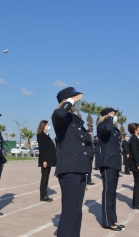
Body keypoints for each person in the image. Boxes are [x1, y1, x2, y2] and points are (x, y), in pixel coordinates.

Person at [52, 87, 92, 237]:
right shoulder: (59, 116)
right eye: (76, 99)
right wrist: (69, 101)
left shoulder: (75, 119)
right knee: (69, 211)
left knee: (76, 210)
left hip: (79, 168)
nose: (78, 102)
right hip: (69, 169)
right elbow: (60, 114)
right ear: (65, 100)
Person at [97, 108, 125, 231]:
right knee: (108, 192)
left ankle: (113, 218)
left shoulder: (114, 128)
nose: (114, 117)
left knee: (113, 193)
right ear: (106, 116)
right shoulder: (102, 125)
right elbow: (106, 130)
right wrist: (108, 119)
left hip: (114, 162)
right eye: (112, 115)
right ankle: (107, 222)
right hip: (107, 162)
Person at [36, 120, 57, 202]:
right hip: (45, 160)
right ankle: (43, 195)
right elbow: (42, 149)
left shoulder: (46, 135)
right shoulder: (40, 135)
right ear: (43, 125)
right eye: (47, 125)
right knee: (44, 178)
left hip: (49, 159)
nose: (48, 126)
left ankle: (45, 194)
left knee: (46, 178)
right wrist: (44, 160)